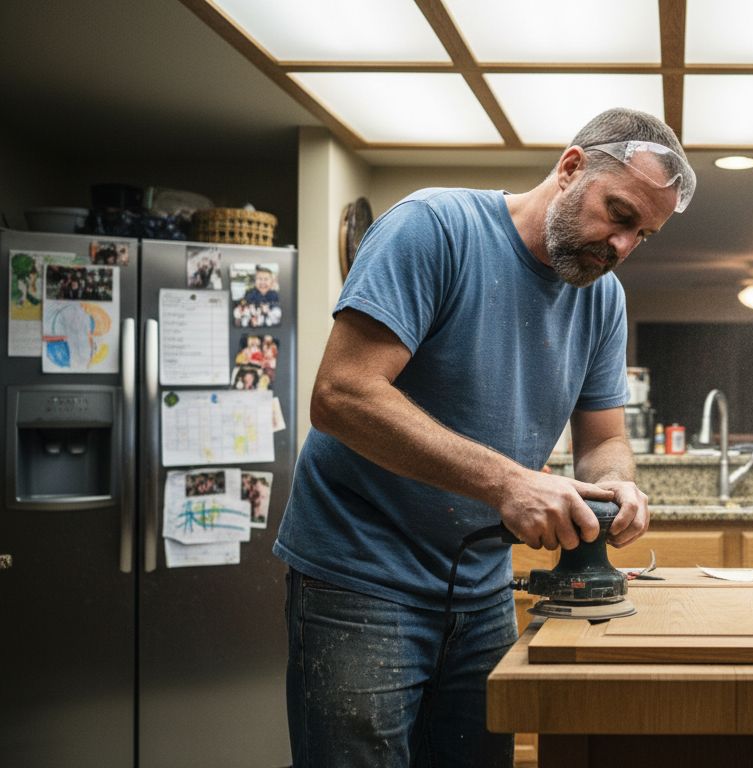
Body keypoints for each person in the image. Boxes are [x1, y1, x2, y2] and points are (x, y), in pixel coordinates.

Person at [273, 107, 695, 767]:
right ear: (571, 168)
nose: (621, 246)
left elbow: (603, 439)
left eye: (643, 234)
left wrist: (616, 484)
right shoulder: (434, 228)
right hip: (360, 579)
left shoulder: (603, 299)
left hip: (481, 587)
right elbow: (341, 395)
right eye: (618, 214)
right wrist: (508, 483)